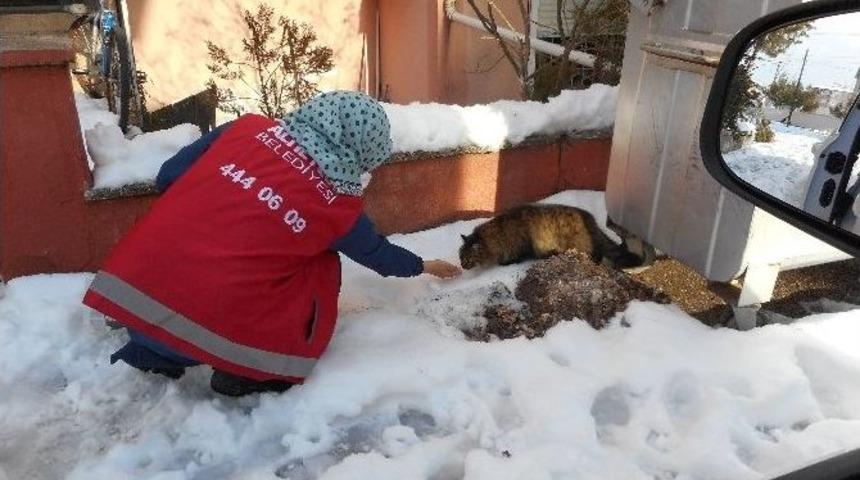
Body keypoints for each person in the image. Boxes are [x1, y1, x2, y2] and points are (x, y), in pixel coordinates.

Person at [83, 91, 462, 396]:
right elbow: (378, 256)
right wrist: (424, 266)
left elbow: (170, 176)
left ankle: (151, 341)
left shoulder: (245, 129)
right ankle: (253, 372)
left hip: (138, 292)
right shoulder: (335, 205)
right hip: (205, 324)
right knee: (319, 261)